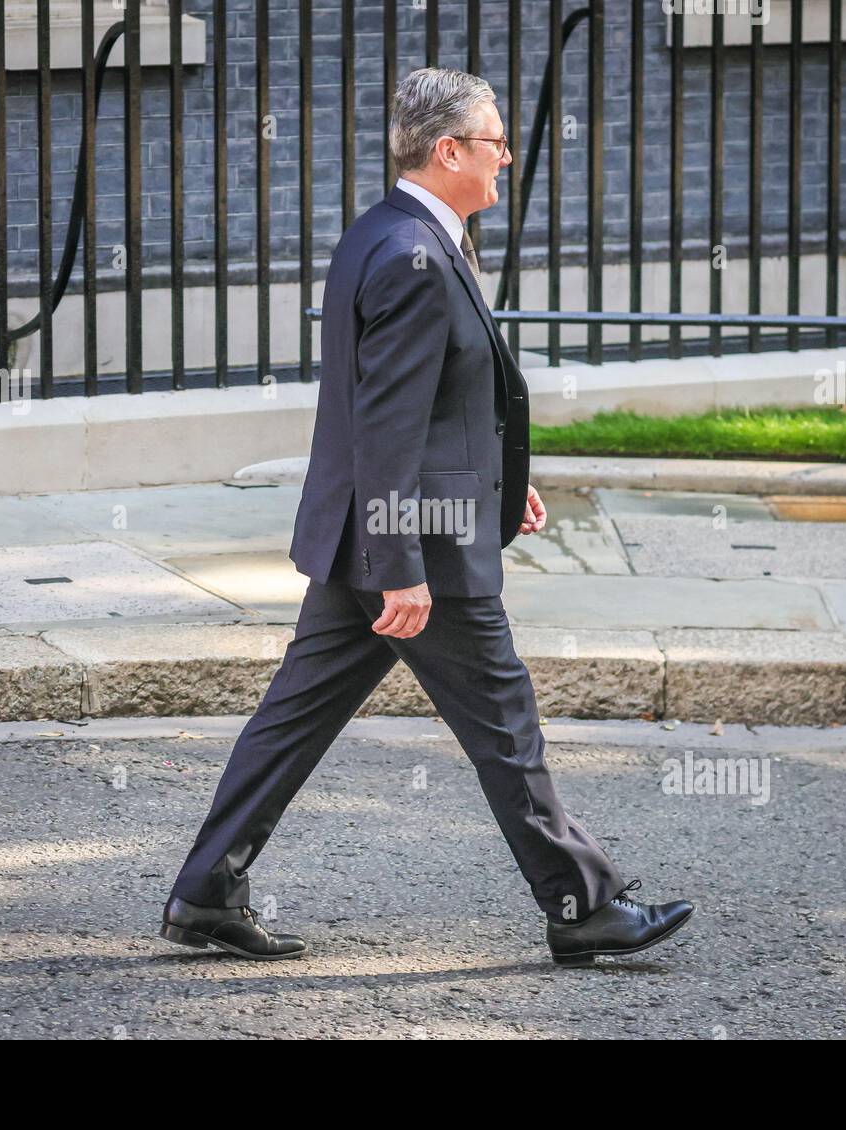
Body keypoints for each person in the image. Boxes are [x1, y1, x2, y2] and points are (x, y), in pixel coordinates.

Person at [161, 67, 693, 966]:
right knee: (504, 720)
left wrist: (491, 482)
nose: (507, 159)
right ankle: (583, 904)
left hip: (381, 526)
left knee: (295, 717)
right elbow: (387, 422)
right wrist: (399, 561)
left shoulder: (392, 232)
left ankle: (205, 890)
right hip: (416, 547)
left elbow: (431, 401)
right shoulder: (413, 255)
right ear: (447, 151)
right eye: (493, 144)